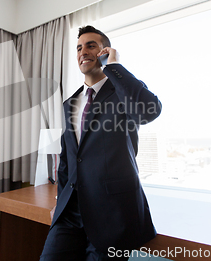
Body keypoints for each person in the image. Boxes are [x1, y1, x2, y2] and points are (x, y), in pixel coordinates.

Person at [39, 26, 162, 260]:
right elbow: (68, 159)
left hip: (113, 215)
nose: (83, 51)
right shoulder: (70, 103)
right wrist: (60, 201)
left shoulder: (123, 93)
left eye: (90, 45)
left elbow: (149, 112)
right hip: (70, 214)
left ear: (104, 50)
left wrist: (113, 66)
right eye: (78, 48)